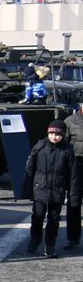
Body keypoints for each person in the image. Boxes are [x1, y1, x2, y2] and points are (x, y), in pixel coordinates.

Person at [23, 120, 74, 258]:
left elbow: (71, 174)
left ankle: (50, 245)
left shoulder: (68, 150)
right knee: (37, 217)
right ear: (48, 133)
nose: (54, 137)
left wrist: (71, 193)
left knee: (53, 219)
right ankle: (35, 239)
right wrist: (27, 189)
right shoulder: (39, 147)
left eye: (57, 134)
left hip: (57, 190)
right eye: (52, 133)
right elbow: (30, 168)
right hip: (40, 189)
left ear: (63, 135)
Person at [64, 104, 83, 248]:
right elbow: (62, 145)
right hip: (75, 167)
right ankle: (73, 238)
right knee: (73, 203)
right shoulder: (70, 121)